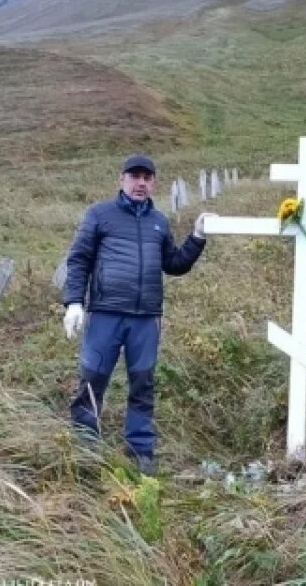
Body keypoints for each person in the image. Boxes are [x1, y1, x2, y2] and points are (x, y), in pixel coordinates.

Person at [61, 154, 215, 474]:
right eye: (135, 176)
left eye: (147, 177)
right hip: (105, 313)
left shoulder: (158, 221)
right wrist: (74, 302)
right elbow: (78, 259)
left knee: (142, 383)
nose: (141, 183)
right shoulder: (99, 215)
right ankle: (84, 445)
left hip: (146, 318)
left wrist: (197, 237)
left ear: (154, 182)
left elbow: (173, 264)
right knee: (93, 378)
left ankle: (140, 450)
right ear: (122, 180)